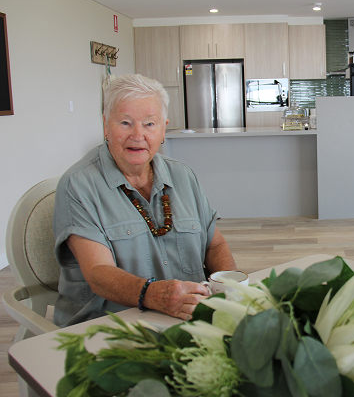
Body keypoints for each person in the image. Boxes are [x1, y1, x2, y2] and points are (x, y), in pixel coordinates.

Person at [53, 74, 237, 327]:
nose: (138, 135)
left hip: (188, 318)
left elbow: (214, 246)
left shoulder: (183, 175)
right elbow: (98, 273)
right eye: (125, 123)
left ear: (164, 129)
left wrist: (226, 289)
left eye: (150, 124)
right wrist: (155, 296)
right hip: (111, 326)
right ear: (106, 125)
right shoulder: (78, 185)